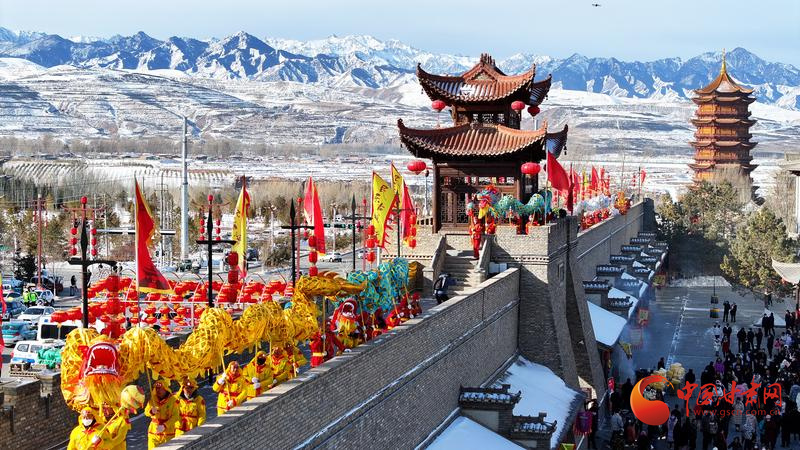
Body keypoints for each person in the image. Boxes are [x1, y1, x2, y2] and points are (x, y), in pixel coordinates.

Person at [145, 380, 180, 449]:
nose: (158, 390)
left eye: (160, 388)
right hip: (154, 432)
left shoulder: (173, 400)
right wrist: (151, 411)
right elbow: (146, 412)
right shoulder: (152, 399)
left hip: (168, 434)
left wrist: (165, 425)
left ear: (165, 389)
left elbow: (176, 416)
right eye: (156, 388)